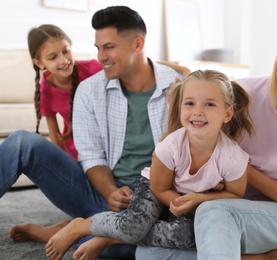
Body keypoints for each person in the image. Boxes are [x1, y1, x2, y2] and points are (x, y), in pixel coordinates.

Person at [136, 20, 277, 260]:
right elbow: (188, 141)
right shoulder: (242, 94)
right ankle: (267, 258)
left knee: (213, 211)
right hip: (216, 207)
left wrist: (241, 170)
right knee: (148, 254)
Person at [1, 5, 188, 259]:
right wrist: (110, 191)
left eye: (109, 47)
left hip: (157, 206)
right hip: (102, 197)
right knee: (23, 142)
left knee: (124, 247)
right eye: (98, 48)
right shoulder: (88, 91)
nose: (101, 57)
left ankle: (81, 229)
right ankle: (94, 227)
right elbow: (91, 156)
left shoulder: (180, 88)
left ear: (137, 44)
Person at [45, 69, 254, 259]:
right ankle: (83, 225)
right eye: (189, 103)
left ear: (227, 113)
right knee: (133, 227)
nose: (198, 111)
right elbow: (159, 187)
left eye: (209, 104)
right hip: (156, 188)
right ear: (180, 108)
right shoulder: (170, 146)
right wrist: (181, 203)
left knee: (187, 237)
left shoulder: (233, 158)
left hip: (193, 202)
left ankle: (110, 236)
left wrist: (198, 201)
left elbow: (235, 195)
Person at [27, 24, 102, 160]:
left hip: (107, 149)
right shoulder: (45, 92)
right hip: (76, 155)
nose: (63, 60)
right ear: (39, 63)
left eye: (66, 51)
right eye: (53, 57)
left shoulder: (94, 69)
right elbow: (55, 139)